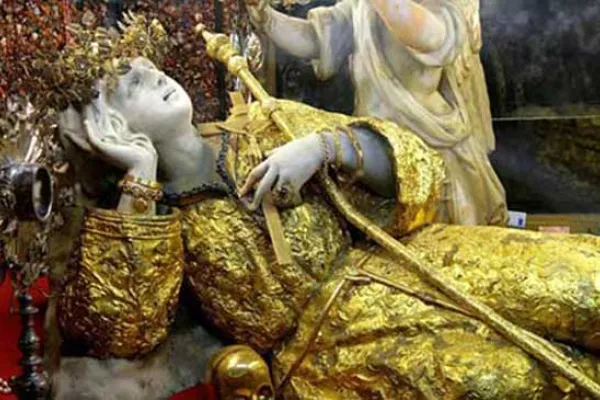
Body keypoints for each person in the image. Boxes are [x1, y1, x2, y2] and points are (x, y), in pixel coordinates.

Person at [55, 52, 600, 399]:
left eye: (149, 67)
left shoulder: (265, 122)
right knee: (505, 380)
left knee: (583, 283)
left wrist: (326, 148)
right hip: (334, 347)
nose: (155, 75)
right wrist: (141, 175)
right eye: (131, 85)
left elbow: (424, 171)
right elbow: (123, 333)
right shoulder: (152, 218)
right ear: (109, 127)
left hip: (410, 261)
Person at [247, 0, 508, 225]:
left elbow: (428, 37)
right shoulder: (363, 7)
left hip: (428, 152)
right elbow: (316, 40)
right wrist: (268, 18)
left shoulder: (437, 9)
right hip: (372, 145)